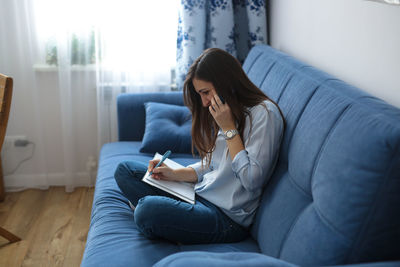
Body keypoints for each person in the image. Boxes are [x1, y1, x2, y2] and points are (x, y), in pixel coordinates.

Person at [114, 48, 284, 244]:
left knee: (146, 210)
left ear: (226, 82)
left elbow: (251, 180)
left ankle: (156, 215)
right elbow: (213, 165)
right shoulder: (230, 108)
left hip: (226, 218)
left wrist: (229, 129)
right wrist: (177, 173)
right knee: (125, 170)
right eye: (200, 94)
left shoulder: (265, 114)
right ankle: (167, 215)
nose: (204, 102)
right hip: (200, 193)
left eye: (206, 92)